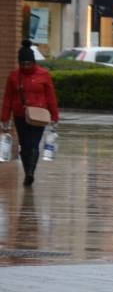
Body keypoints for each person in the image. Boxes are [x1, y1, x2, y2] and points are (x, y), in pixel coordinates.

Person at [3, 45, 61, 188]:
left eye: (29, 63)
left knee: (34, 144)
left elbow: (51, 97)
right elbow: (8, 98)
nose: (26, 66)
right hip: (20, 115)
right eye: (23, 63)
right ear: (19, 62)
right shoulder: (14, 76)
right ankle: (27, 171)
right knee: (24, 146)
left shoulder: (43, 75)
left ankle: (30, 172)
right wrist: (5, 118)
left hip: (39, 116)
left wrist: (54, 116)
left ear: (34, 62)